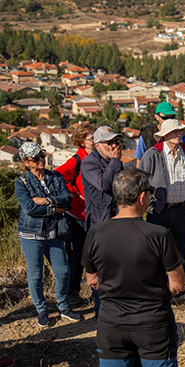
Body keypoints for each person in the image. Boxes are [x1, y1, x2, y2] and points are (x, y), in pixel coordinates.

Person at [83, 168, 185, 367]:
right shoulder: (158, 234)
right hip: (153, 325)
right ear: (142, 197)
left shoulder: (96, 233)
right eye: (150, 193)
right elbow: (178, 284)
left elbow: (92, 279)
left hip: (112, 325)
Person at [14, 142, 80, 327]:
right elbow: (29, 208)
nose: (41, 160)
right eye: (36, 158)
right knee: (36, 274)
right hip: (31, 234)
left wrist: (45, 201)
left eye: (42, 155)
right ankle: (41, 310)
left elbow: (66, 200)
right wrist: (55, 209)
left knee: (63, 271)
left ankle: (63, 307)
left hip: (54, 233)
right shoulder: (21, 182)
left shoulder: (55, 176)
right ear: (27, 162)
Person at [139, 119, 185, 289]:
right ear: (164, 136)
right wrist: (150, 204)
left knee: (181, 252)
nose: (178, 134)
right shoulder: (153, 154)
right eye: (174, 132)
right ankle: (158, 290)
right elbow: (141, 180)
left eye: (180, 131)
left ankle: (180, 290)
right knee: (156, 252)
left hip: (182, 210)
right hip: (159, 212)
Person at [56, 123, 98, 309]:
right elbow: (56, 176)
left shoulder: (98, 156)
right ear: (82, 141)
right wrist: (73, 192)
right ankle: (73, 293)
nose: (95, 141)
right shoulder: (77, 159)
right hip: (77, 215)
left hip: (94, 215)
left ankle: (98, 291)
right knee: (76, 256)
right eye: (91, 138)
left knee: (96, 254)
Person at [82, 126, 125, 228]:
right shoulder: (89, 163)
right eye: (109, 142)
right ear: (97, 145)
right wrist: (115, 160)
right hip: (99, 220)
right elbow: (104, 184)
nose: (114, 146)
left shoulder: (115, 162)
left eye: (116, 141)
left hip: (117, 216)